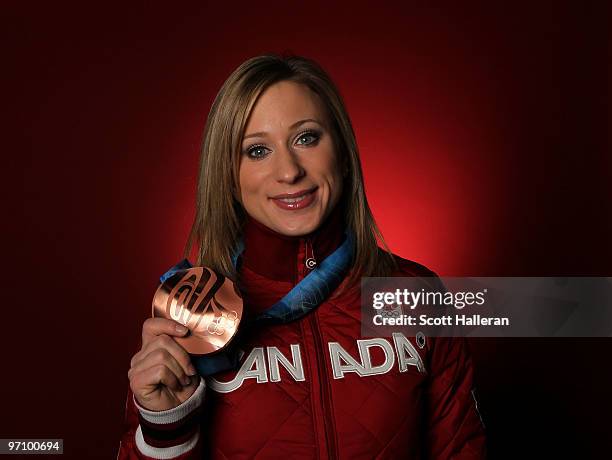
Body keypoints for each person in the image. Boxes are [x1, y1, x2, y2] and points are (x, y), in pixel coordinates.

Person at [118, 54, 486, 459]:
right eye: (257, 150)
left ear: (342, 152)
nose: (289, 171)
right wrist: (165, 425)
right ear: (228, 175)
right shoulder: (189, 313)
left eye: (306, 138)